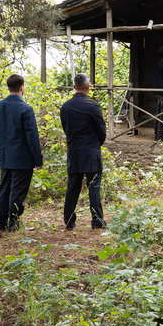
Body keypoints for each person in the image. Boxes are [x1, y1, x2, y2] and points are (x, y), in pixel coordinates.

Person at [0, 74, 42, 235]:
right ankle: (13, 222)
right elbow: (32, 136)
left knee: (4, 189)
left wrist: (1, 148)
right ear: (22, 87)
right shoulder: (25, 109)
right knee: (18, 190)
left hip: (5, 155)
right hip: (22, 157)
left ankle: (1, 222)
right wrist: (37, 158)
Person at [60, 73, 107, 230]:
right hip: (91, 151)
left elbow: (66, 128)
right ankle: (97, 221)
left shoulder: (66, 107)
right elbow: (102, 131)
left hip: (74, 151)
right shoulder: (93, 106)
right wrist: (95, 144)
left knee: (73, 187)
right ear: (88, 86)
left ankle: (69, 221)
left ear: (74, 87)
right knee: (93, 187)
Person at [151, 45, 163, 140]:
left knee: (158, 112)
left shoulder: (158, 62)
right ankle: (159, 136)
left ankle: (157, 133)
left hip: (157, 90)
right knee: (162, 113)